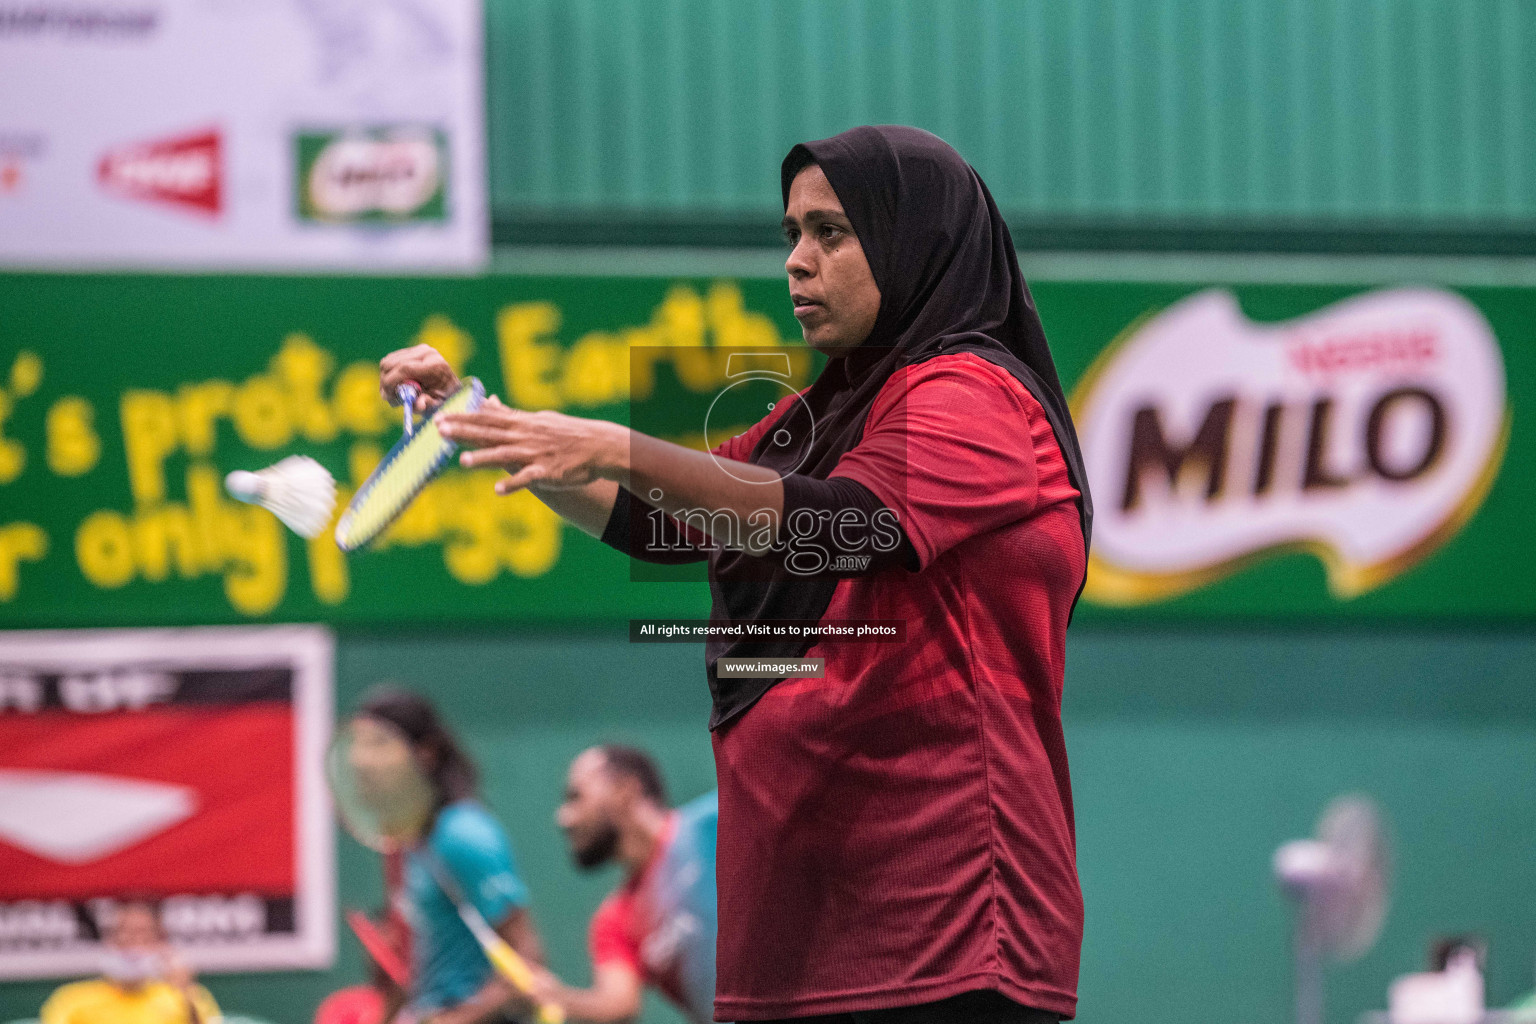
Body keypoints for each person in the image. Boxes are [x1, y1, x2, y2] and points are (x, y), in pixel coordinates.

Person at [381, 125, 1092, 1022]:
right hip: (800, 931)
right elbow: (661, 523)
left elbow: (848, 524)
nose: (797, 262)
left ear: (917, 241)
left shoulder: (976, 396)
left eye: (831, 233)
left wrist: (610, 440)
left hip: (940, 929)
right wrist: (485, 419)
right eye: (791, 234)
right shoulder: (821, 417)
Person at [341, 687, 544, 1024]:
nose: (361, 760)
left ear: (426, 753)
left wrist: (459, 1018)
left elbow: (530, 960)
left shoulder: (464, 834)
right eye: (358, 745)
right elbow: (411, 975)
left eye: (378, 744)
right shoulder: (405, 844)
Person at [527, 746, 717, 1024]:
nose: (563, 818)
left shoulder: (715, 824)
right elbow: (619, 1004)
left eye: (575, 797)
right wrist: (558, 997)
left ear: (625, 790)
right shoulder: (615, 921)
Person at [40, 900, 220, 1024]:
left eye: (143, 934)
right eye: (123, 932)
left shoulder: (187, 997)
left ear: (159, 942)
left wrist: (186, 994)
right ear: (109, 939)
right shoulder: (71, 999)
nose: (133, 943)